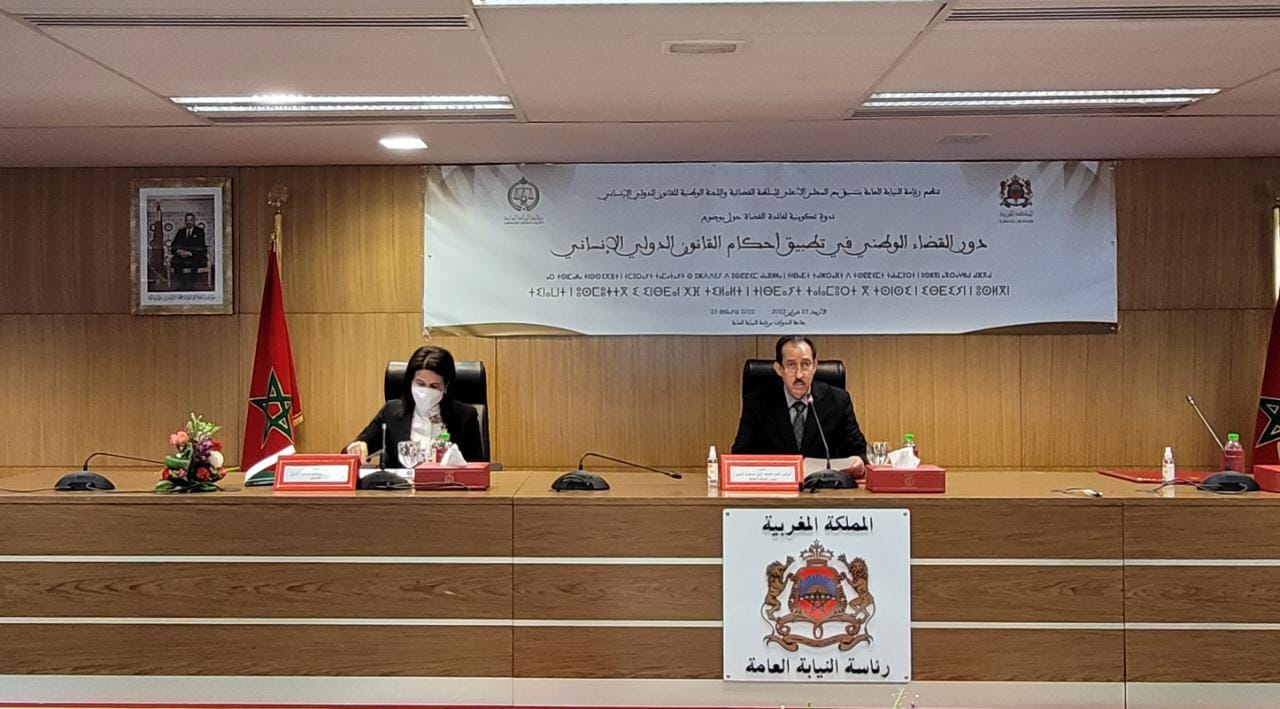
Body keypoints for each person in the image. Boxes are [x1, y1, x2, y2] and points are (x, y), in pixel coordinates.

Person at [731, 335, 867, 477]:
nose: (799, 375)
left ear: (814, 366)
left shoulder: (838, 401)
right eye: (791, 365)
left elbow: (860, 452)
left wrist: (858, 463)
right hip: (775, 487)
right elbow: (740, 456)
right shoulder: (757, 403)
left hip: (825, 486)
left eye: (805, 364)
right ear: (779, 369)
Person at [345, 345, 485, 466]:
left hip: (447, 486)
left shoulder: (465, 416)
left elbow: (477, 467)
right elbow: (349, 453)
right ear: (410, 382)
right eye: (420, 384)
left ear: (446, 386)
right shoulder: (392, 412)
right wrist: (358, 448)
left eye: (434, 386)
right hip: (401, 487)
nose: (426, 391)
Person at [169, 213, 208, 291]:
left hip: (194, 255)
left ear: (194, 221)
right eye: (187, 220)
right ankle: (182, 284)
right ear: (185, 221)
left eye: (190, 220)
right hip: (182, 256)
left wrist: (190, 253)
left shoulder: (199, 231)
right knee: (176, 262)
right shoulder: (181, 231)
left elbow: (201, 246)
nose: (188, 222)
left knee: (195, 262)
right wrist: (179, 251)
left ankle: (190, 286)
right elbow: (173, 245)